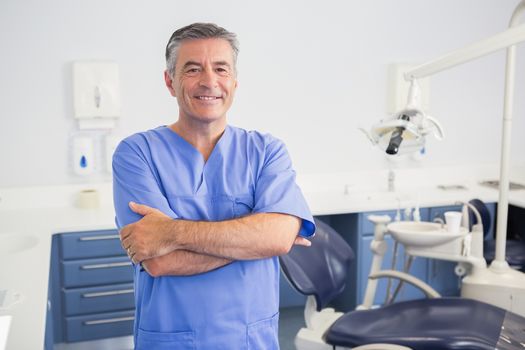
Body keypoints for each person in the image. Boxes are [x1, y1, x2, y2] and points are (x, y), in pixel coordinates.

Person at [113, 22, 315, 349]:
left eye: (221, 68)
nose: (210, 81)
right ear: (170, 81)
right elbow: (159, 260)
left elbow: (276, 238)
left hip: (250, 339)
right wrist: (256, 240)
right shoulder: (137, 153)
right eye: (192, 69)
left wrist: (172, 232)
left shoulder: (266, 151)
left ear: (234, 81)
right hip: (171, 339)